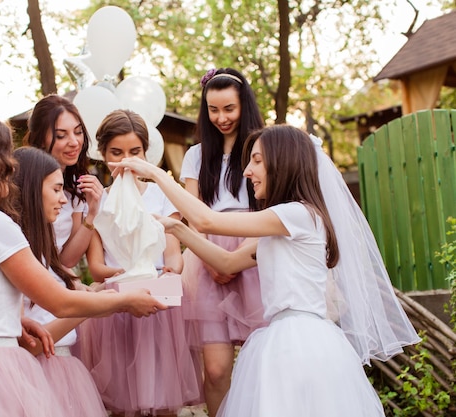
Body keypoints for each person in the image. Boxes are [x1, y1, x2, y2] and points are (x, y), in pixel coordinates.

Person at [110, 124, 421, 417]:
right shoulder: (282, 225)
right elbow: (227, 263)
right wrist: (176, 228)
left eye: (256, 161)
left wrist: (154, 173)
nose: (247, 171)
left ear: (282, 163)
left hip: (300, 340)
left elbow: (207, 220)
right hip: (284, 335)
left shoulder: (296, 214)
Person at [0, 112, 166, 417]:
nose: (10, 167)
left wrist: (9, 320)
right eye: (5, 157)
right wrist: (123, 300)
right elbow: (59, 302)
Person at [81, 110, 203, 417]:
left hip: (158, 301)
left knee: (162, 392)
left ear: (145, 153)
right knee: (121, 398)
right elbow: (96, 266)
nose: (125, 161)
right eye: (116, 153)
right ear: (103, 154)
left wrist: (168, 271)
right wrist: (128, 275)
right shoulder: (99, 201)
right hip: (115, 305)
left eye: (134, 152)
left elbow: (173, 253)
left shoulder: (162, 196)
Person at [179, 67, 267, 416]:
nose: (221, 118)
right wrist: (212, 259)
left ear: (244, 104)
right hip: (208, 260)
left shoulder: (263, 147)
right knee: (215, 369)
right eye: (213, 110)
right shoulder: (196, 156)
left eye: (228, 108)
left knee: (260, 360)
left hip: (256, 252)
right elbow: (192, 211)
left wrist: (239, 257)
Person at [12, 146, 108, 416]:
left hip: (64, 369)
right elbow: (30, 346)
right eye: (55, 190)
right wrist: (92, 305)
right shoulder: (17, 258)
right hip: (37, 377)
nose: (64, 200)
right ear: (31, 190)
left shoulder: (45, 254)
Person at [24, 94, 103, 269]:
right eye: (61, 136)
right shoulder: (24, 183)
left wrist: (91, 213)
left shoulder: (77, 185)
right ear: (40, 140)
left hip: (58, 279)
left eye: (78, 132)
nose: (74, 142)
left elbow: (67, 260)